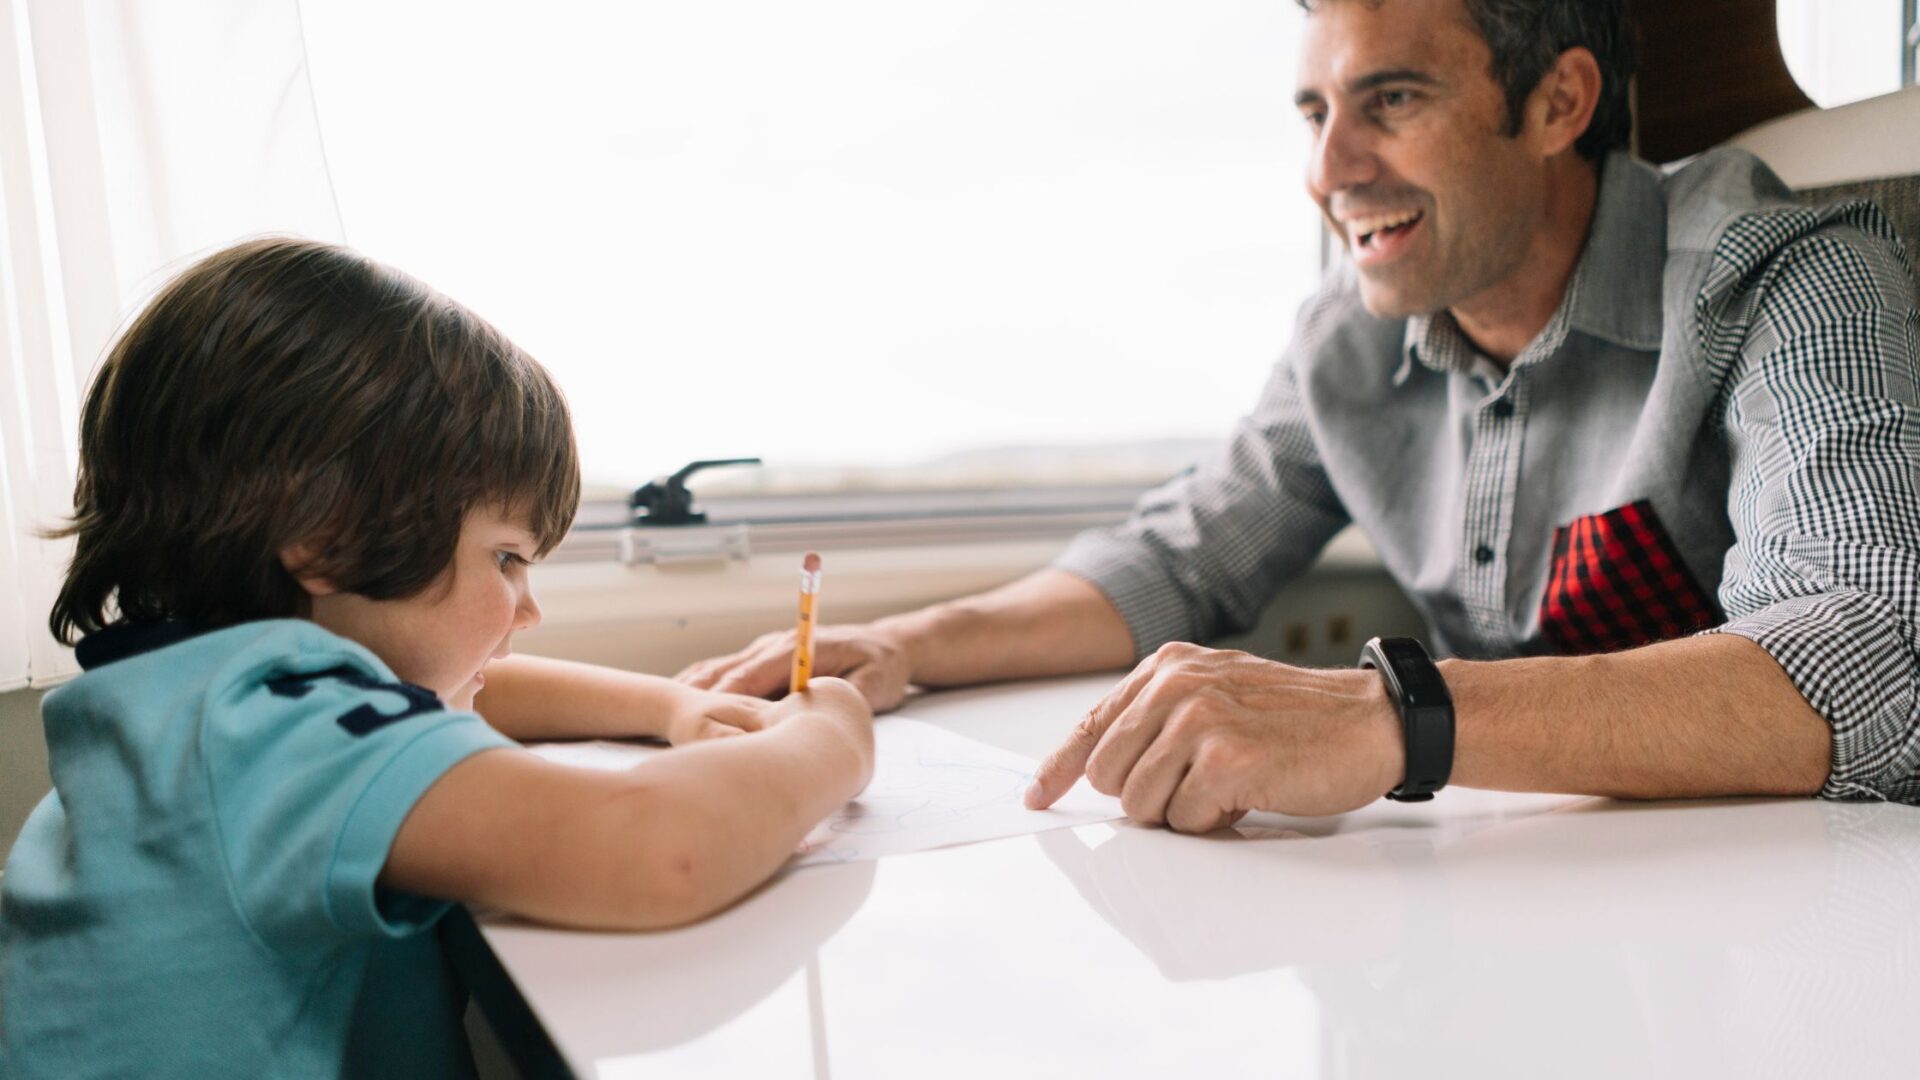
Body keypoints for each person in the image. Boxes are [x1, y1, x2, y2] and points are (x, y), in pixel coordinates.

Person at [681, 0, 1920, 828]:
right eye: (1316, 114)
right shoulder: (1353, 330)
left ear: (1558, 104)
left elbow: (1876, 654)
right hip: (1537, 885)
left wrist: (1396, 717)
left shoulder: (1786, 273)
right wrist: (910, 643)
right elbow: (1178, 556)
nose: (1329, 173)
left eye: (1392, 102)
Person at [0, 237, 874, 1078]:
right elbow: (658, 848)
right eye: (505, 559)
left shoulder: (193, 702)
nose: (528, 610)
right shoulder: (270, 736)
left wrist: (666, 707)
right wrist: (831, 738)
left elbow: (457, 697)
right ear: (330, 539)